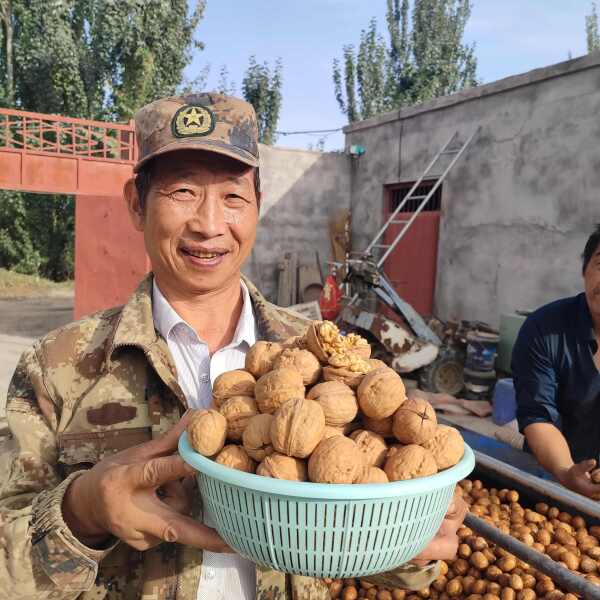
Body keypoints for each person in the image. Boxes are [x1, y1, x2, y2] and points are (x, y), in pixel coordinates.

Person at [0, 93, 466, 599]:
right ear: (137, 204)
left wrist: (411, 539)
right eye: (182, 191)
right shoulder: (56, 367)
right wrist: (82, 513)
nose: (208, 223)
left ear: (258, 208)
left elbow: (376, 552)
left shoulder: (328, 361)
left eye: (233, 197)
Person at [513, 224, 600, 498]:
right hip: (547, 478)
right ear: (584, 271)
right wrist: (565, 471)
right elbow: (538, 415)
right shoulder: (544, 328)